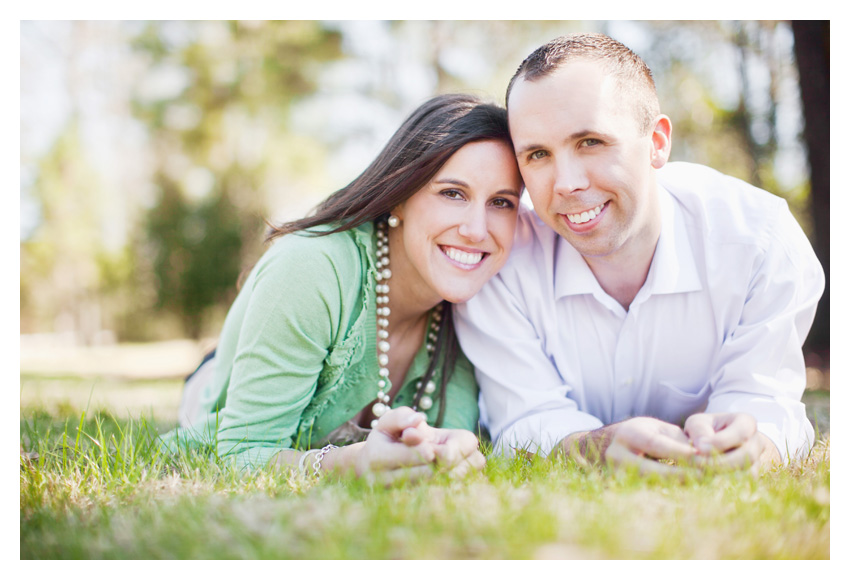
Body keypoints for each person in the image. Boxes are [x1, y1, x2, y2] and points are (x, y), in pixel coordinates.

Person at [454, 33, 825, 475]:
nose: (567, 183)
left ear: (657, 142)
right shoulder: (501, 260)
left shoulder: (759, 242)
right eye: (538, 154)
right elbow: (524, 417)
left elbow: (765, 405)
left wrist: (747, 443)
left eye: (590, 141)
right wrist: (594, 447)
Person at [164, 94, 524, 482]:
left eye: (501, 202)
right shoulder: (310, 267)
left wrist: (447, 451)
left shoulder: (480, 297)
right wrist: (350, 463)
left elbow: (450, 432)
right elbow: (238, 453)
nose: (477, 230)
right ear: (400, 197)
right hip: (226, 369)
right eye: (452, 193)